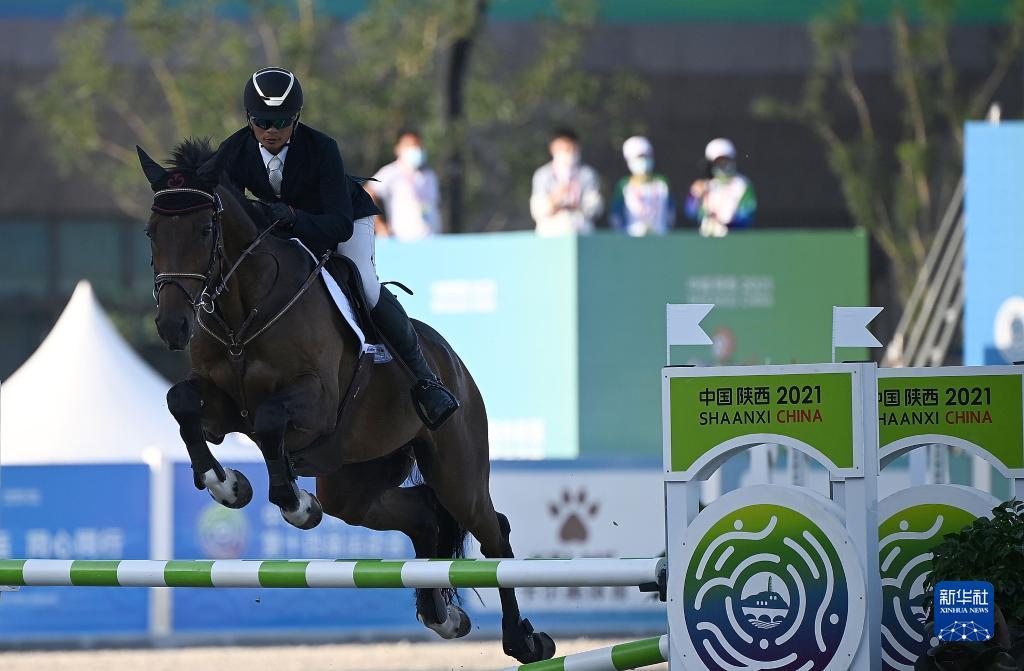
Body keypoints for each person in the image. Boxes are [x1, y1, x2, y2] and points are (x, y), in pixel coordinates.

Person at [214, 67, 458, 429]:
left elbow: (339, 224)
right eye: (263, 121)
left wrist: (293, 217)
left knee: (366, 285)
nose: (272, 131)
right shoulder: (233, 151)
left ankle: (426, 381)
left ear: (296, 118)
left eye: (281, 121)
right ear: (249, 118)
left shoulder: (322, 148)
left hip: (342, 222)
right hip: (282, 227)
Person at [368, 130, 442, 241]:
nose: (415, 150)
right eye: (410, 146)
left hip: (431, 239)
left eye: (418, 146)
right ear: (398, 149)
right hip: (402, 241)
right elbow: (367, 193)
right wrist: (379, 226)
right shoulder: (391, 172)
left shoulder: (429, 175)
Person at [529, 128, 603, 237]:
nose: (570, 153)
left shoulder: (588, 174)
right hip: (550, 231)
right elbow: (537, 211)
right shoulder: (543, 175)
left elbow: (595, 207)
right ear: (553, 149)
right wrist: (554, 200)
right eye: (565, 149)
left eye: (573, 148)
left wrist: (577, 206)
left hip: (581, 230)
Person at [685, 137, 756, 237]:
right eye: (718, 162)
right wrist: (694, 196)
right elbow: (691, 213)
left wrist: (726, 227)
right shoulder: (705, 186)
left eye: (725, 161)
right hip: (707, 241)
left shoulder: (742, 185)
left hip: (735, 240)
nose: (722, 166)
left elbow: (747, 217)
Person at [609, 136, 675, 236]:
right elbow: (616, 216)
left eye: (646, 156)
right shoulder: (624, 185)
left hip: (661, 239)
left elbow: (671, 212)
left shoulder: (662, 182)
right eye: (639, 157)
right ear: (629, 160)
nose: (644, 160)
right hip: (631, 241)